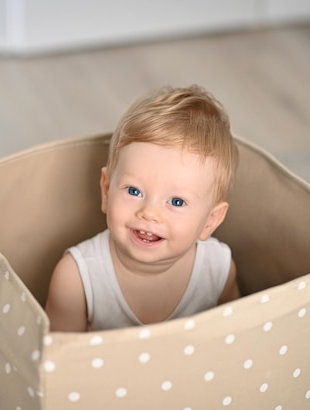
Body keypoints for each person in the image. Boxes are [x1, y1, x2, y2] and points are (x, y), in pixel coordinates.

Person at [45, 85, 240, 332]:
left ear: (210, 221)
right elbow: (59, 363)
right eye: (134, 191)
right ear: (106, 191)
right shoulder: (76, 278)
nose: (149, 213)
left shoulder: (218, 269)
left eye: (177, 202)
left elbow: (233, 341)